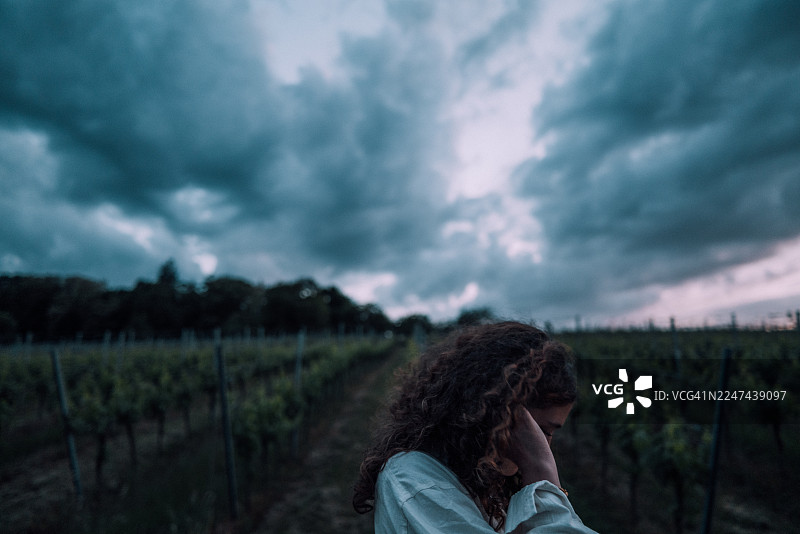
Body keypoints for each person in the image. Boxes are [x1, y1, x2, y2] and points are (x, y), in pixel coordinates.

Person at [353, 321, 599, 533]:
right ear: (500, 411)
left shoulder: (477, 477)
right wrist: (541, 473)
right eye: (543, 431)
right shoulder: (417, 484)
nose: (545, 447)